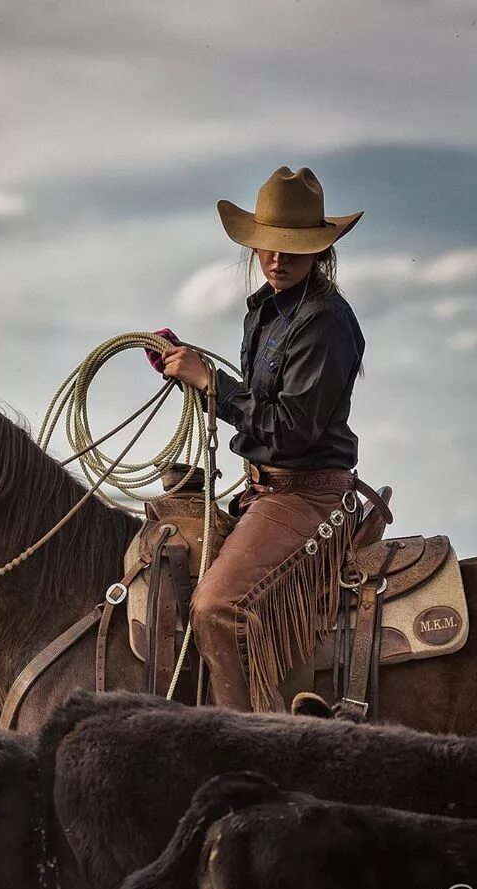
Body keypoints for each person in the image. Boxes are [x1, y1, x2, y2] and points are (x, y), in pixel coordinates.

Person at [156, 166, 367, 713]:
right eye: (268, 246)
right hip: (263, 490)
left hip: (307, 494)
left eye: (293, 247)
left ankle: (255, 746)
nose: (277, 258)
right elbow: (262, 406)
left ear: (319, 251)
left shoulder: (325, 321)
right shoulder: (265, 313)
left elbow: (290, 431)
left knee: (217, 607)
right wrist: (195, 373)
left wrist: (212, 385)